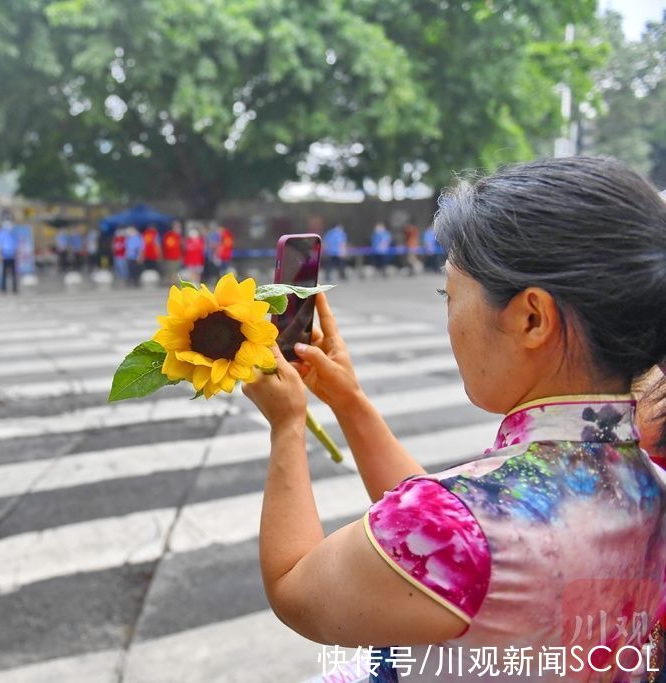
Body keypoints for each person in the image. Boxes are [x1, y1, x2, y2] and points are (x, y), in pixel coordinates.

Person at [241, 157, 666, 680]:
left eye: (450, 294)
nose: (449, 316)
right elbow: (450, 539)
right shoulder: (651, 489)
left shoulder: (467, 524)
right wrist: (349, 402)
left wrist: (287, 427)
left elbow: (294, 586)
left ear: (531, 318)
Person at [0, 219, 18, 293]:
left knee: (13, 273)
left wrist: (16, 254)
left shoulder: (13, 233)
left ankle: (14, 288)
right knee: (4, 273)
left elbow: (16, 245)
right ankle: (3, 288)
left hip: (12, 255)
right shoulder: (1, 233)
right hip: (4, 256)